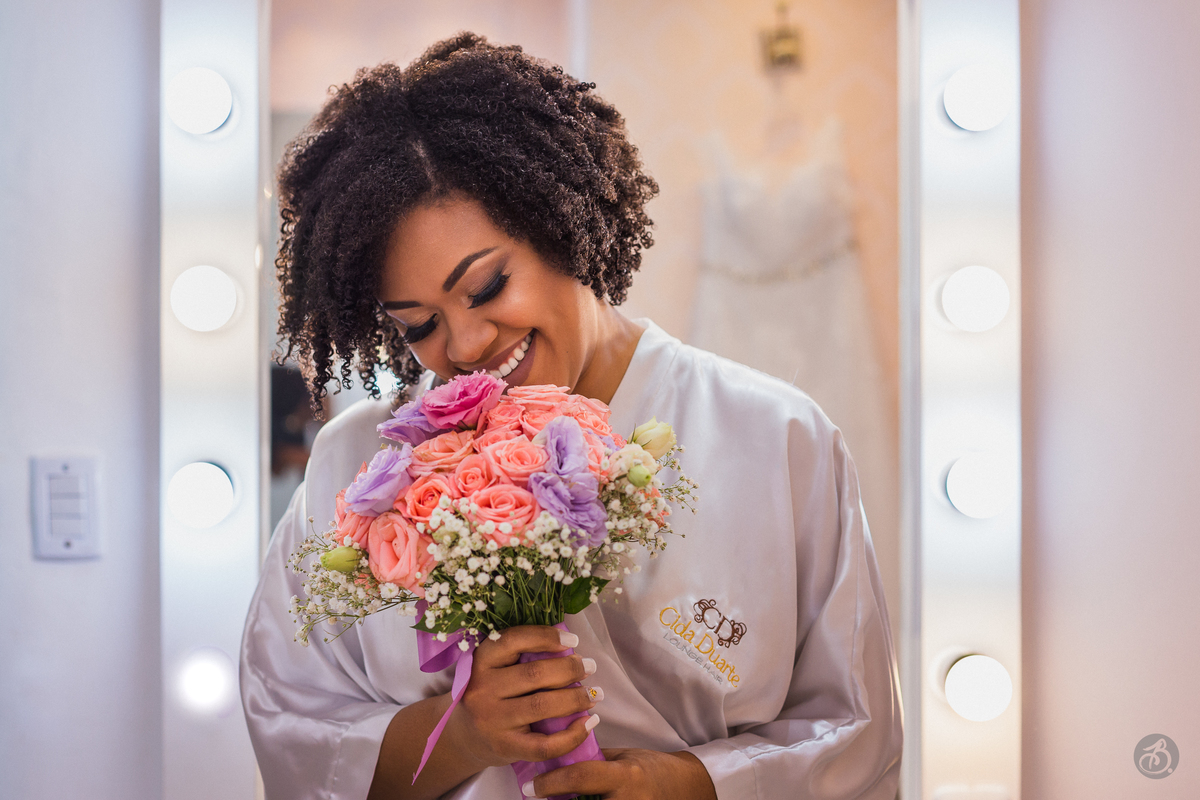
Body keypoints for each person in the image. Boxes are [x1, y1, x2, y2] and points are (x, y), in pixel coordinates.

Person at [241, 33, 903, 800]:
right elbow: (288, 721)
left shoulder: (774, 439)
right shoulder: (358, 467)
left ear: (560, 219)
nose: (465, 345)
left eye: (487, 287)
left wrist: (692, 784)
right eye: (419, 324)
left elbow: (855, 732)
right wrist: (461, 735)